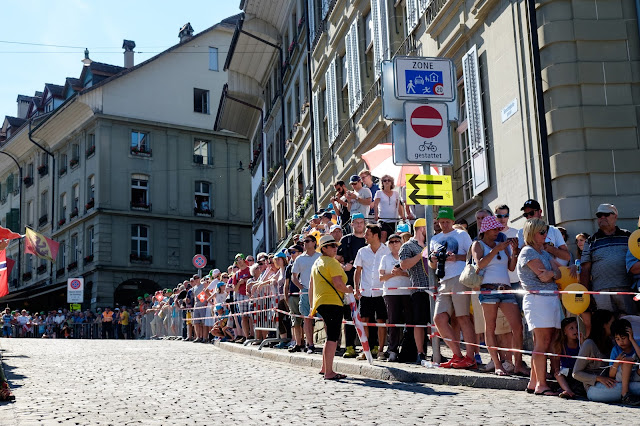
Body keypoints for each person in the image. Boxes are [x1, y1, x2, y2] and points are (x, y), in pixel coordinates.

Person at [470, 215, 526, 376]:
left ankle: (518, 364)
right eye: (495, 229)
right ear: (486, 230)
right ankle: (497, 365)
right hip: (488, 290)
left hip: (506, 289)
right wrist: (496, 250)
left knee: (517, 326)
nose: (498, 231)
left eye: (499, 229)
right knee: (490, 327)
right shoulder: (478, 244)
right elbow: (479, 264)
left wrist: (514, 252)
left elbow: (511, 267)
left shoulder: (501, 245)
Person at [518, 218, 563, 396]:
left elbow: (557, 273)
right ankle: (541, 385)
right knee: (542, 343)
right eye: (541, 232)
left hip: (549, 298)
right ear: (532, 233)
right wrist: (552, 274)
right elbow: (543, 276)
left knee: (547, 341)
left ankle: (534, 382)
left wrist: (552, 273)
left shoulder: (543, 252)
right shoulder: (528, 252)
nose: (545, 235)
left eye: (546, 231)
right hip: (538, 300)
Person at [428, 207, 476, 369]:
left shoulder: (461, 234)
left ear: (453, 221)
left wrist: (457, 257)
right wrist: (433, 260)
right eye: (441, 222)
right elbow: (431, 264)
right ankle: (457, 354)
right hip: (443, 279)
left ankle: (470, 357)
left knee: (463, 317)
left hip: (459, 277)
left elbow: (472, 255)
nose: (444, 225)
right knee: (439, 319)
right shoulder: (435, 238)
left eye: (447, 222)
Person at [309, 235, 353, 380]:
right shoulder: (332, 263)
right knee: (333, 337)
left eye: (336, 245)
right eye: (332, 246)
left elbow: (311, 287)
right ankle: (329, 372)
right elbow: (338, 285)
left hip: (321, 302)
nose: (336, 248)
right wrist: (350, 290)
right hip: (332, 302)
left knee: (330, 337)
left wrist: (312, 306)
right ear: (324, 248)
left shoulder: (317, 262)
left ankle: (324, 368)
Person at [580, 204, 636, 316]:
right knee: (606, 327)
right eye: (599, 215)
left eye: (606, 214)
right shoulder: (591, 240)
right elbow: (585, 269)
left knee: (630, 324)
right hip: (601, 292)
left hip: (626, 289)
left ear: (615, 216)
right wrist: (586, 294)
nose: (602, 217)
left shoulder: (628, 236)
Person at [574, 310, 640, 403]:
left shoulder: (612, 343)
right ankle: (625, 396)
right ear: (604, 325)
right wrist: (598, 378)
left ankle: (626, 395)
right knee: (633, 387)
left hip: (614, 382)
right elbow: (576, 373)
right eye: (612, 323)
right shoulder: (589, 344)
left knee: (630, 385)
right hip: (595, 388)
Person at [354, 224, 390, 360]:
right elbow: (358, 271)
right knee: (364, 320)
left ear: (375, 235)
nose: (365, 236)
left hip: (382, 292)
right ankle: (366, 350)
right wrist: (356, 288)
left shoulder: (386, 251)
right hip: (366, 291)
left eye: (367, 234)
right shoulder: (362, 251)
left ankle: (381, 350)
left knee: (381, 320)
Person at [398, 218, 431, 364]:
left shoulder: (431, 244)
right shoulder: (408, 246)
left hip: (435, 289)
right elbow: (404, 264)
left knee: (435, 323)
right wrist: (421, 254)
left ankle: (436, 352)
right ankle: (420, 353)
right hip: (419, 289)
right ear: (421, 228)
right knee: (419, 323)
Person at [337, 213, 367, 358]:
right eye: (356, 222)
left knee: (366, 316)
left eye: (361, 222)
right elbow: (335, 260)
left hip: (367, 283)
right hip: (349, 284)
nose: (359, 225)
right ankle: (349, 346)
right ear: (352, 224)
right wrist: (343, 266)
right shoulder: (346, 240)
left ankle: (367, 347)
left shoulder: (369, 240)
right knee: (349, 316)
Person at [380, 234, 412, 362]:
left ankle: (407, 349)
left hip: (407, 292)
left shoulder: (406, 257)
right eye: (391, 242)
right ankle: (392, 350)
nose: (394, 244)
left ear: (401, 243)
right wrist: (393, 274)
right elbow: (381, 277)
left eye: (397, 241)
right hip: (390, 293)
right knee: (393, 322)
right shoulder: (385, 258)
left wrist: (402, 273)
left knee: (409, 322)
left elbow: (412, 274)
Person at [292, 235, 322, 354]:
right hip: (305, 291)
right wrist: (301, 287)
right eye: (304, 242)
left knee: (324, 317)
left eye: (307, 241)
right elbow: (294, 276)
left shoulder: (320, 257)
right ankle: (310, 344)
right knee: (307, 318)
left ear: (314, 242)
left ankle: (332, 344)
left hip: (319, 291)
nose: (305, 243)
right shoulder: (299, 259)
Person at [608, 318, 640, 405]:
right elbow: (611, 375)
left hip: (635, 374)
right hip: (621, 375)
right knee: (627, 361)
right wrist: (616, 362)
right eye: (617, 339)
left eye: (623, 338)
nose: (621, 342)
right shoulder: (615, 350)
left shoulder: (637, 344)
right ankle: (625, 394)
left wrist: (632, 340)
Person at [551, 317, 583, 399]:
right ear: (565, 332)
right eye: (571, 328)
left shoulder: (581, 343)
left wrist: (582, 342)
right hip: (566, 371)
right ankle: (568, 391)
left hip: (577, 371)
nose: (575, 330)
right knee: (558, 375)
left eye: (576, 327)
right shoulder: (561, 345)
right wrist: (557, 370)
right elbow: (556, 362)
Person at [373, 174, 405, 243]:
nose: (387, 182)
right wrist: (376, 215)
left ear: (391, 182)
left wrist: (402, 216)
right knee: (383, 234)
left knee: (392, 238)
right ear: (382, 183)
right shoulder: (379, 193)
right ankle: (381, 251)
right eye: (384, 180)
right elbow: (375, 205)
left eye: (389, 180)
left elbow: (398, 205)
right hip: (383, 219)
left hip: (394, 219)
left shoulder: (396, 193)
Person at [285, 245, 304, 352]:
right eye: (290, 253)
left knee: (306, 320)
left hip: (304, 294)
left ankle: (307, 342)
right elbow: (286, 284)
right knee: (295, 321)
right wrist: (286, 297)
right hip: (293, 295)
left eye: (293, 252)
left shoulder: (304, 264)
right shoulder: (289, 267)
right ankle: (298, 343)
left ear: (300, 253)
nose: (291, 255)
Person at [231, 254, 253, 342]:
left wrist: (247, 281)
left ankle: (253, 334)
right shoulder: (236, 274)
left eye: (240, 259)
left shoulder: (250, 270)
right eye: (237, 260)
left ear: (244, 260)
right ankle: (246, 336)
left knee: (251, 316)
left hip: (250, 294)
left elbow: (255, 279)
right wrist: (240, 283)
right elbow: (234, 289)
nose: (239, 261)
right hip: (241, 295)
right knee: (243, 316)